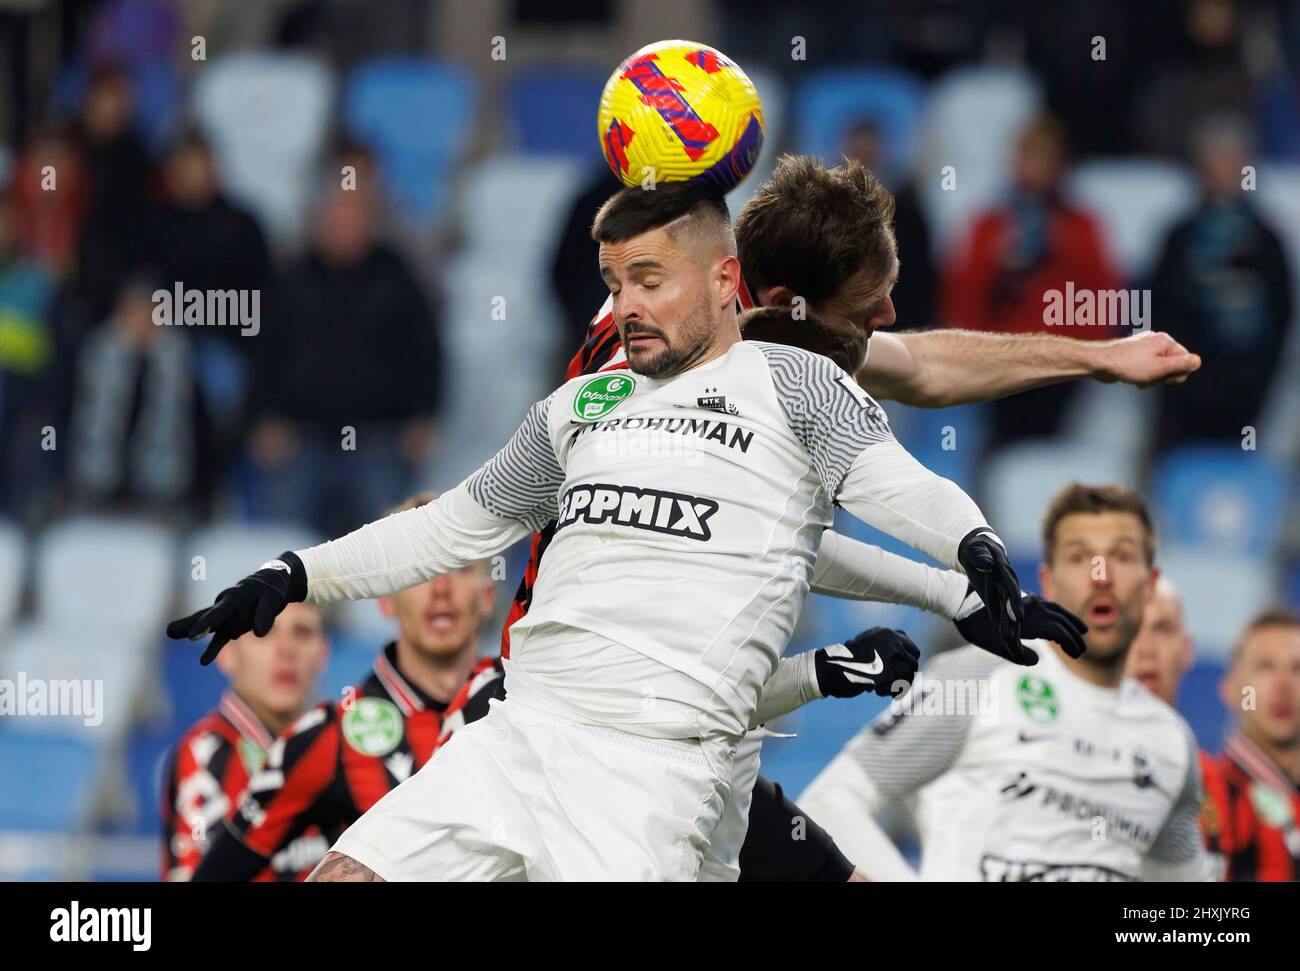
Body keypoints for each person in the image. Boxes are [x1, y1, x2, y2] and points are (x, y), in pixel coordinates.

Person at [170, 182, 1030, 881]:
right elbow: (451, 527)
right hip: (518, 731)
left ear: (728, 280)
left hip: (651, 773)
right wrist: (290, 575)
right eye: (617, 283)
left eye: (652, 279)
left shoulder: (794, 383)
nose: (628, 304)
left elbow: (895, 483)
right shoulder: (582, 404)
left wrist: (972, 546)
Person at [488, 154, 1193, 882]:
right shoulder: (669, 389)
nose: (887, 316)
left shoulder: (761, 343)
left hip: (676, 740)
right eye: (868, 304)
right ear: (786, 298)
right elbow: (787, 549)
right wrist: (948, 588)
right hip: (595, 747)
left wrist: (1102, 356)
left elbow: (923, 367)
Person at [798, 483, 1214, 881]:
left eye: (1121, 557)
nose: (1101, 576)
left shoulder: (1172, 743)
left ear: (1151, 583)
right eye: (1079, 556)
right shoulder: (979, 678)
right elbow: (829, 803)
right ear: (1049, 582)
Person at [189, 492, 498, 881]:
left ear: (488, 596)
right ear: (385, 598)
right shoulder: (325, 739)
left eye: (461, 566)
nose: (441, 589)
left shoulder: (532, 701)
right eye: (422, 570)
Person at [247, 151, 442, 537]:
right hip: (301, 441)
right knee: (276, 549)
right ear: (320, 217)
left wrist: (425, 416)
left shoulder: (399, 277)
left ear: (371, 220)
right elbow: (264, 353)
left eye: (355, 212)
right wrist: (263, 418)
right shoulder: (291, 279)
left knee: (389, 544)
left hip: (379, 441)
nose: (345, 222)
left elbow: (427, 352)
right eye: (337, 211)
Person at [939, 116, 1123, 445]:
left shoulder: (1081, 228)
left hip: (1062, 369)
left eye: (1045, 158)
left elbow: (1101, 300)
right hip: (998, 367)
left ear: (1060, 165)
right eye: (1028, 157)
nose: (1035, 168)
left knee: (1053, 456)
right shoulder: (989, 226)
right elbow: (962, 300)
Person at [1149, 116, 1293, 449]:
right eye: (1216, 161)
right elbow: (1158, 310)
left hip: (1251, 398)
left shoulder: (1267, 242)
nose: (1225, 171)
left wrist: (1251, 380)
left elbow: (1281, 317)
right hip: (1182, 397)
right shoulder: (1178, 239)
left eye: (1233, 161)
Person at [162, 602, 330, 881]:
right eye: (263, 632)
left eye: (302, 632)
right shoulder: (205, 755)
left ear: (323, 654)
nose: (286, 649)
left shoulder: (347, 748)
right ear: (226, 652)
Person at [1124, 577, 1233, 877]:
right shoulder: (1064, 756)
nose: (1146, 648)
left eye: (1162, 629)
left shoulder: (1213, 780)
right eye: (1131, 628)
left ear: (1187, 649)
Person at [1213, 608, 1300, 881]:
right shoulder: (1206, 796)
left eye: (1298, 669)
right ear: (1230, 689)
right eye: (1265, 667)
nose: (1283, 685)